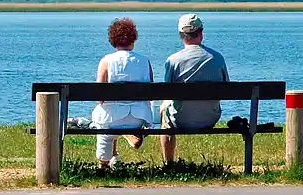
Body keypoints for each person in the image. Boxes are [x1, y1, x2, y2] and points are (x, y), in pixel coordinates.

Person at [160, 14, 229, 164]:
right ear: (201, 33)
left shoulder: (173, 60)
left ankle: (168, 164)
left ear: (181, 35)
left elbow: (167, 91)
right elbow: (227, 88)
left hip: (180, 119)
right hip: (210, 118)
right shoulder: (217, 58)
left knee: (164, 112)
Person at [91, 18, 154, 168]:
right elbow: (151, 93)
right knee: (112, 117)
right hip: (138, 119)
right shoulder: (144, 61)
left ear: (113, 40)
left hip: (112, 120)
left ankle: (103, 163)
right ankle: (125, 139)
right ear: (133, 38)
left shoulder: (107, 61)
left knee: (104, 124)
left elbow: (99, 97)